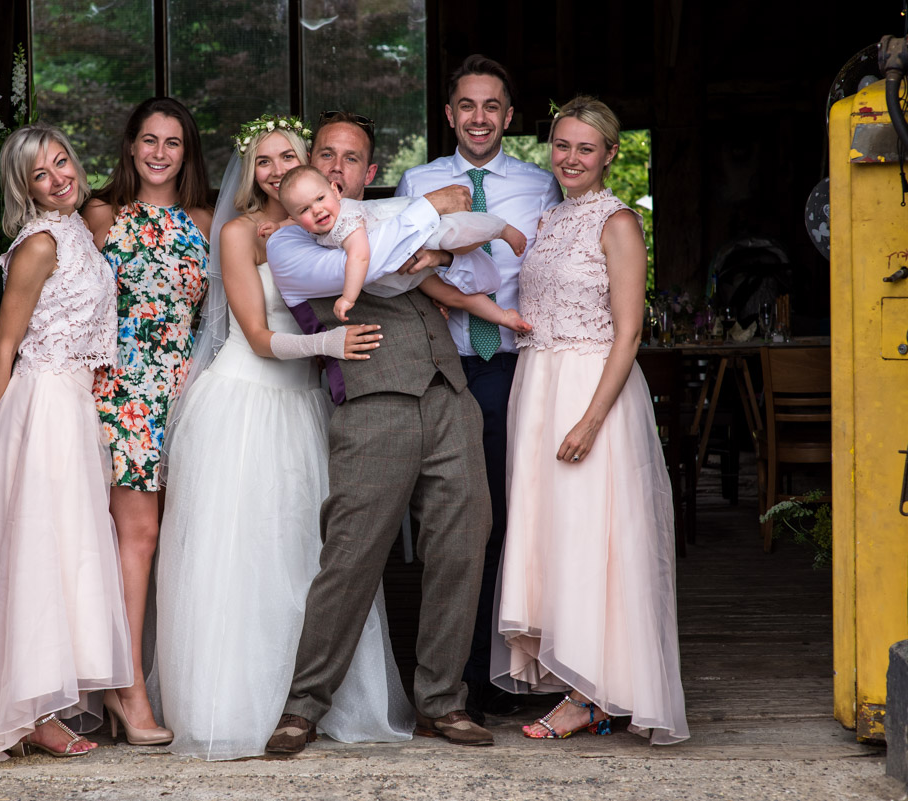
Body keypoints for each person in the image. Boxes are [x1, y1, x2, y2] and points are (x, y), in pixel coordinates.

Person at [150, 115, 415, 761]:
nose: (273, 170)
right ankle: (238, 705)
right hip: (246, 403)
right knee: (244, 557)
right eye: (262, 160)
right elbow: (261, 337)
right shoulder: (238, 233)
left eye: (285, 158)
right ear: (250, 170)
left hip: (304, 406)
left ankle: (308, 700)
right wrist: (332, 342)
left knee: (312, 555)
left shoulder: (322, 226)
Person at [264, 110, 498, 753]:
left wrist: (442, 244)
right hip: (372, 405)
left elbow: (468, 261)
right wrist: (427, 220)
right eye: (326, 156)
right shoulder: (291, 241)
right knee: (351, 554)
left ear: (365, 175)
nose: (336, 170)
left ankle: (442, 702)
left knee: (462, 544)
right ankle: (303, 705)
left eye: (351, 160)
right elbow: (363, 271)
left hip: (448, 396)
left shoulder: (393, 214)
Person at [0, 123, 132, 767]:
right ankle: (27, 711)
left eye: (62, 161)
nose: (59, 177)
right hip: (39, 408)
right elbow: (5, 344)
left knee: (63, 551)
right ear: (25, 188)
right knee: (36, 552)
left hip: (72, 405)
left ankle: (40, 699)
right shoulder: (39, 243)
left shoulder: (79, 232)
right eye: (41, 174)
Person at [491, 96, 689, 745]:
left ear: (610, 154)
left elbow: (629, 333)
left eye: (585, 147)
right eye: (561, 145)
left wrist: (590, 419)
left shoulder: (619, 223)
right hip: (538, 386)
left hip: (589, 391)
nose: (570, 158)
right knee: (555, 534)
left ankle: (593, 693)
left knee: (594, 534)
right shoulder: (547, 219)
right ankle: (583, 682)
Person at [396, 55, 562, 721]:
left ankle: (492, 670)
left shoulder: (540, 185)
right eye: (467, 105)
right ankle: (447, 674)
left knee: (500, 518)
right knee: (452, 522)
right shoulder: (419, 180)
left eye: (492, 106)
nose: (479, 117)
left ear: (509, 116)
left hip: (510, 368)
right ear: (449, 114)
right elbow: (405, 263)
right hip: (445, 364)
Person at [83, 97, 213, 744]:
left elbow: (220, 318)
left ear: (187, 153)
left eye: (173, 143)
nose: (160, 152)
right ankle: (126, 687)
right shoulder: (103, 215)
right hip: (125, 389)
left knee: (175, 541)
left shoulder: (205, 221)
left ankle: (149, 674)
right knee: (138, 536)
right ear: (131, 146)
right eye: (149, 140)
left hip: (186, 393)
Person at [269, 165, 526, 322]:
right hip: (403, 263)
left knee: (454, 236)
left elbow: (360, 256)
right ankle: (503, 316)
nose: (316, 210)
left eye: (320, 198)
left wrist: (348, 297)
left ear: (335, 191)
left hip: (415, 233)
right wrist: (278, 226)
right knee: (447, 294)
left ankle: (500, 228)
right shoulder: (311, 224)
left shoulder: (346, 221)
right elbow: (297, 223)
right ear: (294, 217)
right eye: (304, 209)